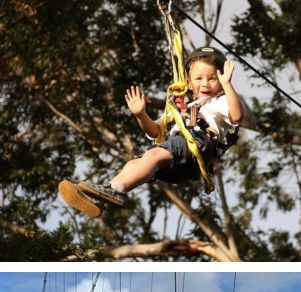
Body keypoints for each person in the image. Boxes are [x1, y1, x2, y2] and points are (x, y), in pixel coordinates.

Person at [61, 47, 243, 212]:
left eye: (212, 78)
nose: (205, 84)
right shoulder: (183, 108)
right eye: (199, 78)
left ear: (220, 80)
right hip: (180, 160)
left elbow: (236, 117)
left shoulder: (220, 101)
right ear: (188, 82)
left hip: (197, 145)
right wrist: (141, 115)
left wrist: (227, 85)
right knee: (134, 164)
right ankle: (102, 198)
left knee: (153, 156)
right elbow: (155, 131)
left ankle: (116, 190)